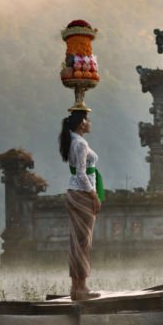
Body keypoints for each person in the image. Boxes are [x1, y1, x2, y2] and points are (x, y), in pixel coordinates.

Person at [59, 111, 104, 300]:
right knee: (83, 242)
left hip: (76, 193)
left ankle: (76, 287)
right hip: (82, 194)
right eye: (87, 120)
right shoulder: (80, 143)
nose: (89, 123)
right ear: (80, 124)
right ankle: (81, 288)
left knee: (78, 241)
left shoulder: (74, 141)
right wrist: (94, 196)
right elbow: (81, 174)